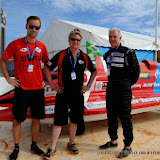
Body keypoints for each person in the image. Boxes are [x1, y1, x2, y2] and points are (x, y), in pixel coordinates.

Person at [0, 16, 50, 160]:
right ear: (26, 26)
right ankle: (16, 147)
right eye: (31, 26)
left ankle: (34, 145)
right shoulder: (15, 44)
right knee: (18, 119)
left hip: (37, 90)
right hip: (22, 89)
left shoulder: (42, 46)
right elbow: (3, 60)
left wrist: (46, 80)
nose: (34, 30)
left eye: (37, 27)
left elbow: (47, 63)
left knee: (36, 119)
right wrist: (9, 79)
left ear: (39, 29)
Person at [43, 29, 97, 159]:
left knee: (74, 120)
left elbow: (94, 71)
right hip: (63, 92)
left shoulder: (84, 56)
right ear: (69, 40)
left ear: (80, 42)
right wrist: (52, 85)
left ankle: (71, 143)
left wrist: (88, 86)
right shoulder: (61, 55)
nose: (75, 42)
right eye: (73, 39)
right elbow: (47, 67)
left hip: (78, 93)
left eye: (78, 40)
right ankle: (53, 147)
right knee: (58, 121)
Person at [99, 28, 140, 158]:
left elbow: (136, 71)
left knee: (125, 118)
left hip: (124, 89)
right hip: (111, 88)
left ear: (120, 38)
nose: (112, 39)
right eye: (110, 36)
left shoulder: (128, 52)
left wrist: (127, 84)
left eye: (114, 37)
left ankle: (127, 146)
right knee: (111, 117)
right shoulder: (106, 54)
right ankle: (113, 141)